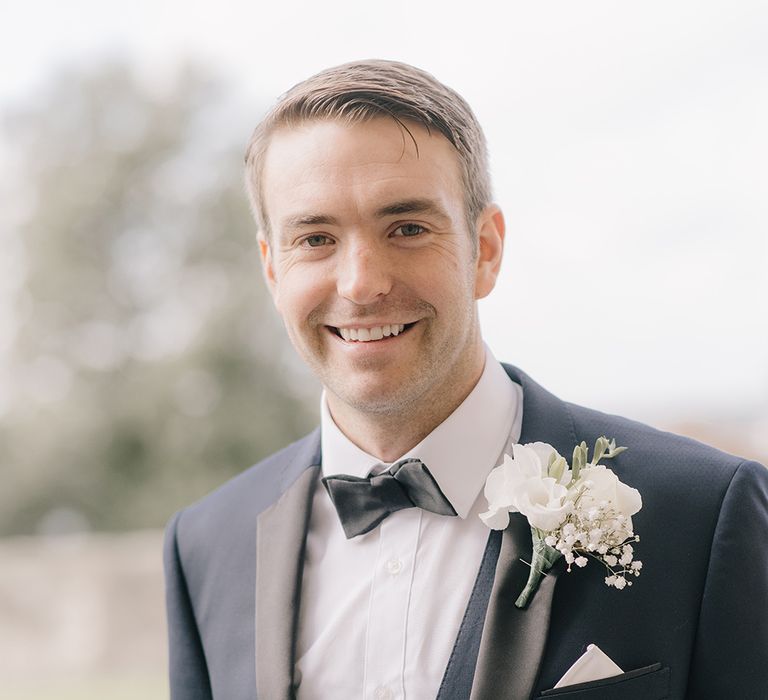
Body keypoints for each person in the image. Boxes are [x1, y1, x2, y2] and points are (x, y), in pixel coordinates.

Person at [163, 60, 768, 700]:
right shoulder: (206, 545)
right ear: (272, 269)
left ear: (485, 250)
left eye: (407, 229)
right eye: (315, 238)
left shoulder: (703, 515)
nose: (362, 282)